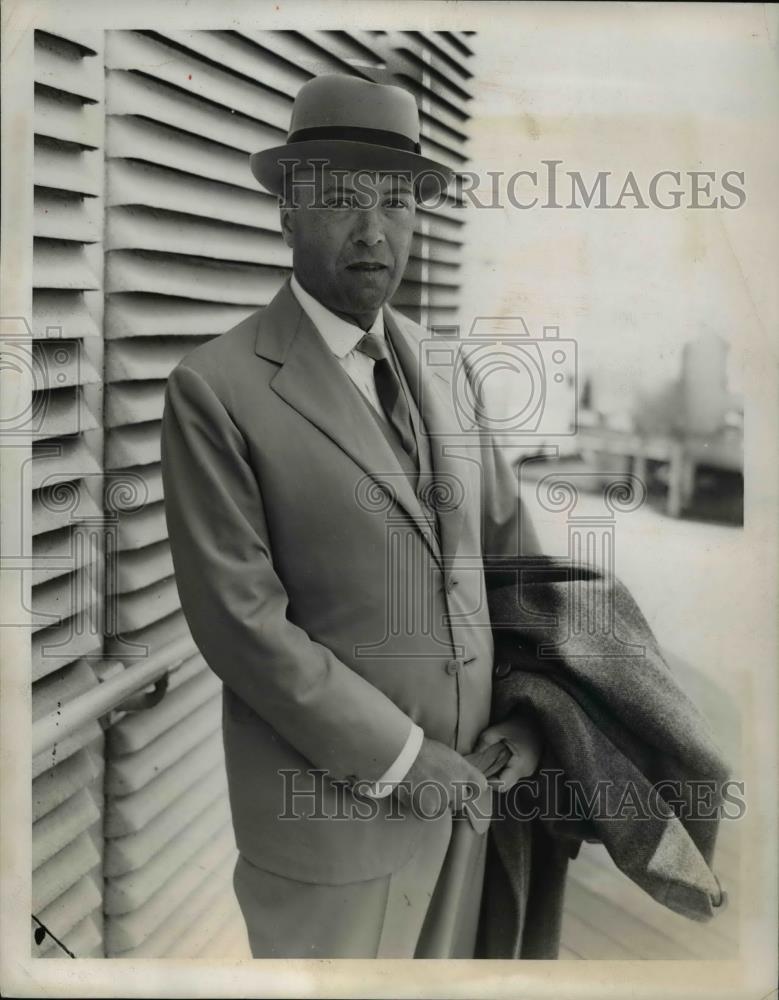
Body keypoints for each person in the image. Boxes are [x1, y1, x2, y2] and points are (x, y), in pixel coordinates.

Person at [160, 73, 544, 959]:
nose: (373, 230)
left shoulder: (448, 369)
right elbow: (243, 627)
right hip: (332, 836)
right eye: (340, 200)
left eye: (396, 201)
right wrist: (406, 762)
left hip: (471, 809)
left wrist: (530, 717)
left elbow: (514, 562)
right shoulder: (215, 389)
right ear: (288, 212)